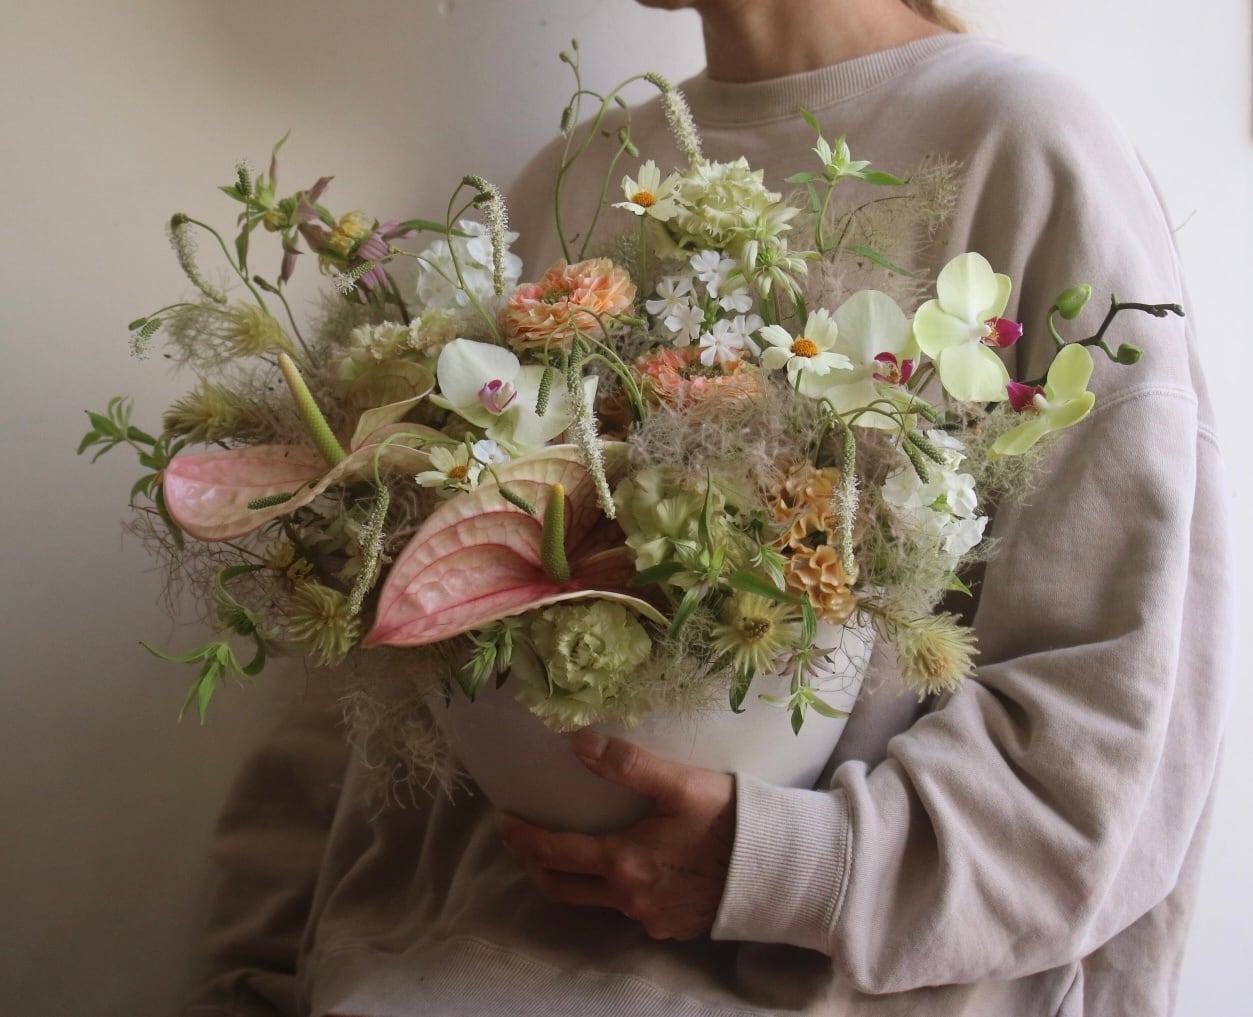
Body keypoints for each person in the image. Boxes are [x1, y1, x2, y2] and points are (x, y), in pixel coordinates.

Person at [182, 2, 1234, 1015]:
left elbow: (1115, 717)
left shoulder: (1021, 145)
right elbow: (383, 648)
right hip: (424, 969)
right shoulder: (572, 180)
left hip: (824, 980)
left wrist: (787, 866)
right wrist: (254, 971)